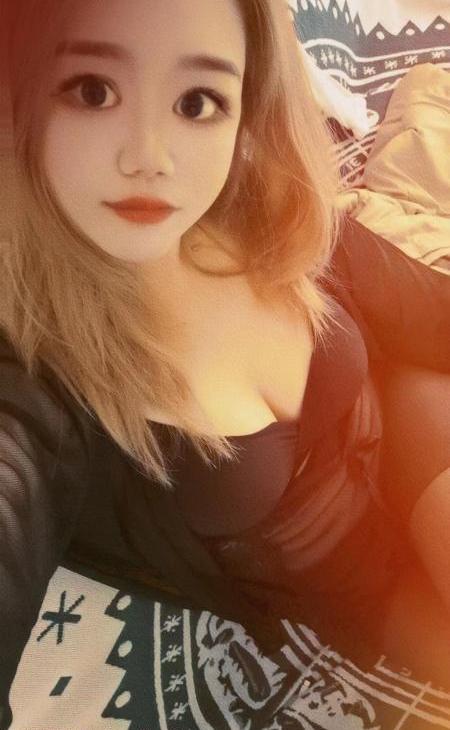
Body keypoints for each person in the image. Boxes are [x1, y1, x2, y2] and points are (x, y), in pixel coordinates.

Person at [0, 0, 449, 726]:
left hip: (419, 409)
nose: (148, 156)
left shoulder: (271, 212)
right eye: (93, 90)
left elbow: (434, 315)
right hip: (375, 592)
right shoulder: (32, 365)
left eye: (197, 101)